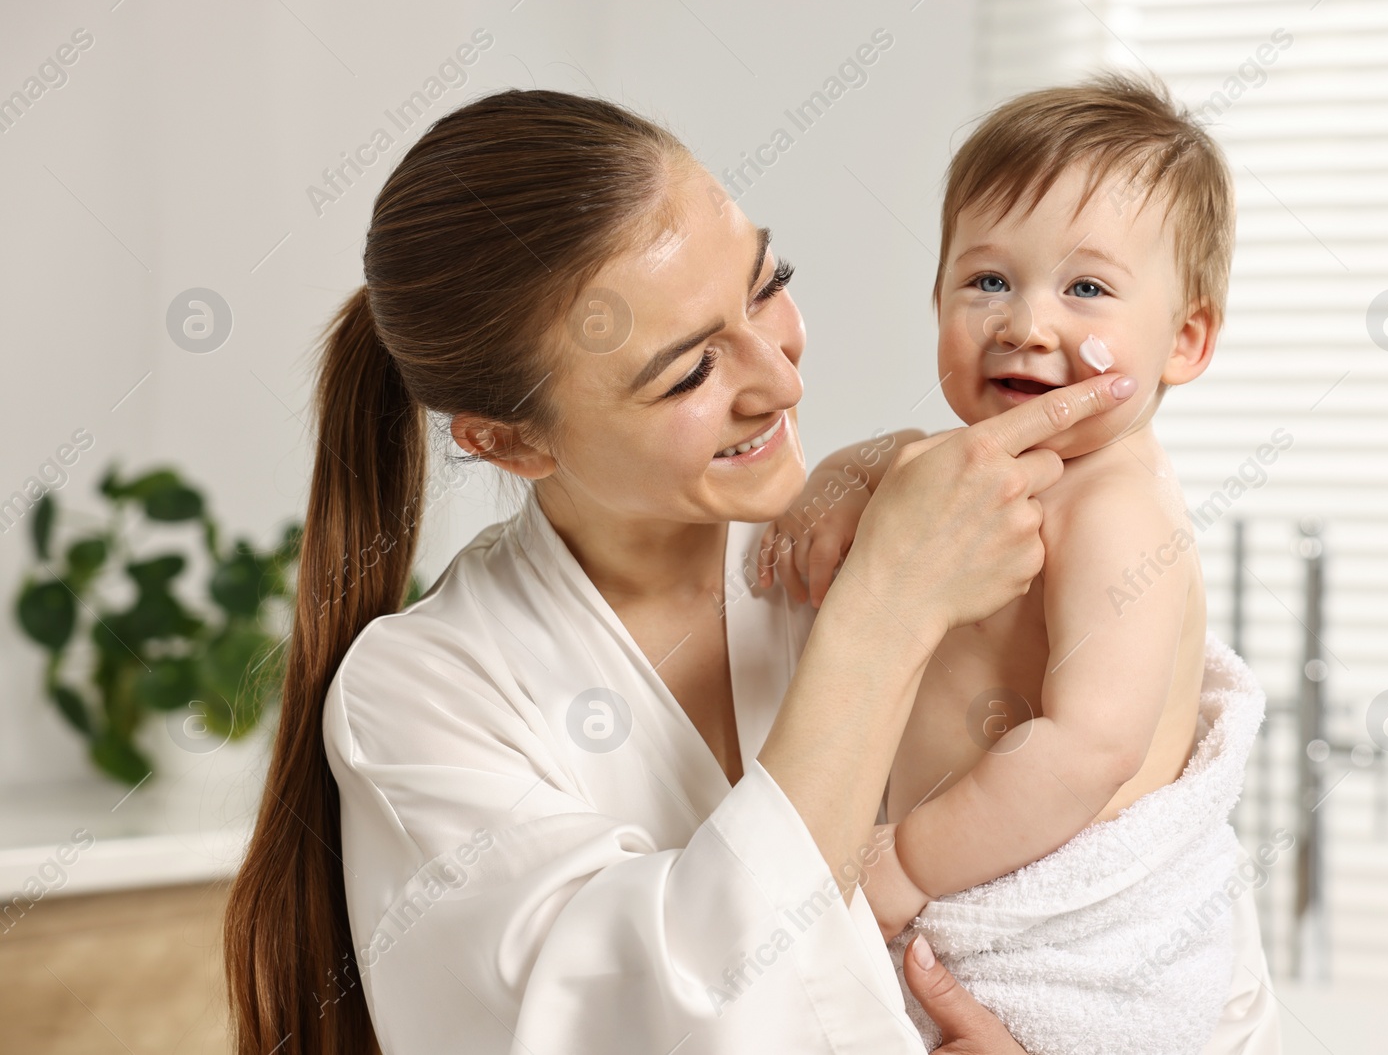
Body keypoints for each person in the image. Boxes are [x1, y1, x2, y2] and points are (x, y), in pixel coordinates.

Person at [220, 89, 1138, 1055]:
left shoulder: (916, 530)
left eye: (766, 282)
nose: (781, 381)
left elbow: (1155, 883)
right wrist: (886, 614)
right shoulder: (421, 696)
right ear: (509, 441)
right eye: (689, 373)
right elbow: (651, 1017)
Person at [762, 76, 1282, 1054]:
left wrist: (910, 860)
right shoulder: (964, 466)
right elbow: (901, 458)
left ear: (1186, 338)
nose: (1025, 322)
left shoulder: (1115, 508)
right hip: (963, 886)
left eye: (1084, 287)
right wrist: (839, 473)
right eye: (988, 280)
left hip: (1050, 936)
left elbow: (1089, 744)